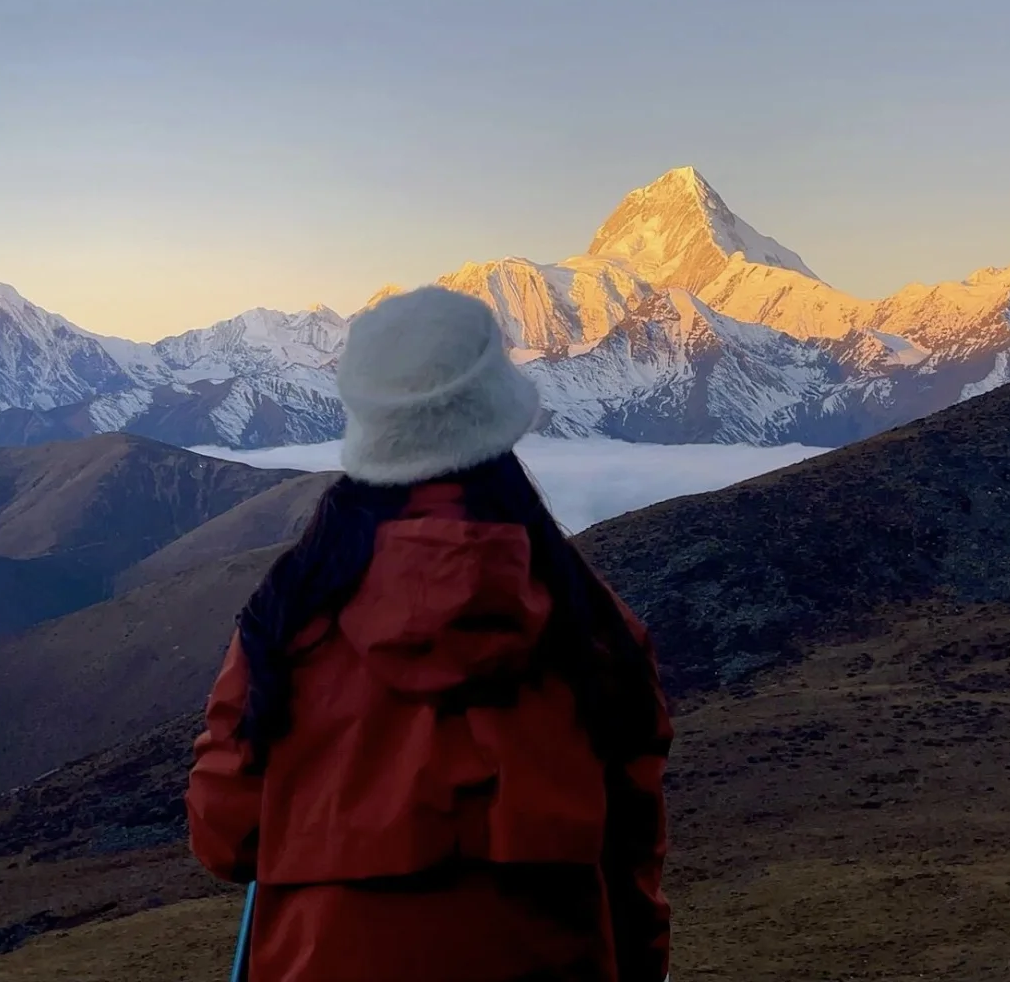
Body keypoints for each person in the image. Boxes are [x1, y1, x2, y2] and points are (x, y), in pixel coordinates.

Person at [186, 286, 673, 982]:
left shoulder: (287, 620)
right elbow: (631, 857)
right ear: (499, 422)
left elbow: (225, 840)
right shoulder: (593, 627)